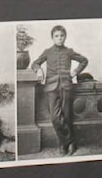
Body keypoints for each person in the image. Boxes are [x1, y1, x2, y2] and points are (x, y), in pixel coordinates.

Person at [30, 25, 88, 156]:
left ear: (65, 37)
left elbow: (84, 61)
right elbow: (34, 63)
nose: (59, 38)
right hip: (51, 87)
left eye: (62, 36)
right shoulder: (47, 51)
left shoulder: (69, 51)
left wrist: (75, 71)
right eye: (56, 36)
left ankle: (63, 145)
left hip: (66, 87)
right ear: (52, 38)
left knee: (67, 117)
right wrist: (39, 70)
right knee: (55, 118)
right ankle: (70, 141)